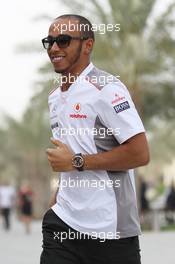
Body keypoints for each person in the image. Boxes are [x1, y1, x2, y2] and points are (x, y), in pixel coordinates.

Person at [40, 14, 150, 264]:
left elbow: (140, 153)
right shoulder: (55, 97)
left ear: (87, 45)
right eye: (50, 41)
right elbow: (67, 154)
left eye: (64, 40)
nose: (55, 48)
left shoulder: (107, 89)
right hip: (63, 223)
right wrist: (55, 201)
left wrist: (77, 161)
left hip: (110, 230)